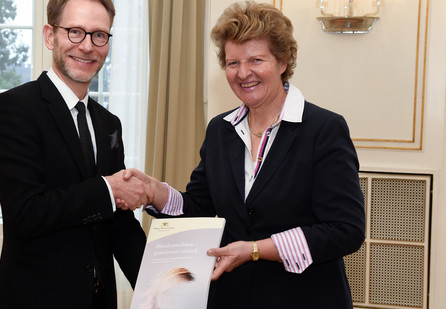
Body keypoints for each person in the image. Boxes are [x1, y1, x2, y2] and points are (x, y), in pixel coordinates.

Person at [122, 2, 365, 308]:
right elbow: (199, 207)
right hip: (232, 297)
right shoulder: (220, 130)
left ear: (282, 60)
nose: (243, 73)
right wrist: (155, 192)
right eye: (233, 63)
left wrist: (255, 249)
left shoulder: (323, 129)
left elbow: (346, 230)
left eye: (256, 60)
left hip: (304, 297)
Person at [0, 0, 151, 308]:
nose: (87, 46)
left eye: (99, 35)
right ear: (50, 36)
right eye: (75, 32)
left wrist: (162, 286)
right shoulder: (14, 109)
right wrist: (108, 189)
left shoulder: (108, 124)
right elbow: (27, 213)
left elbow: (119, 223)